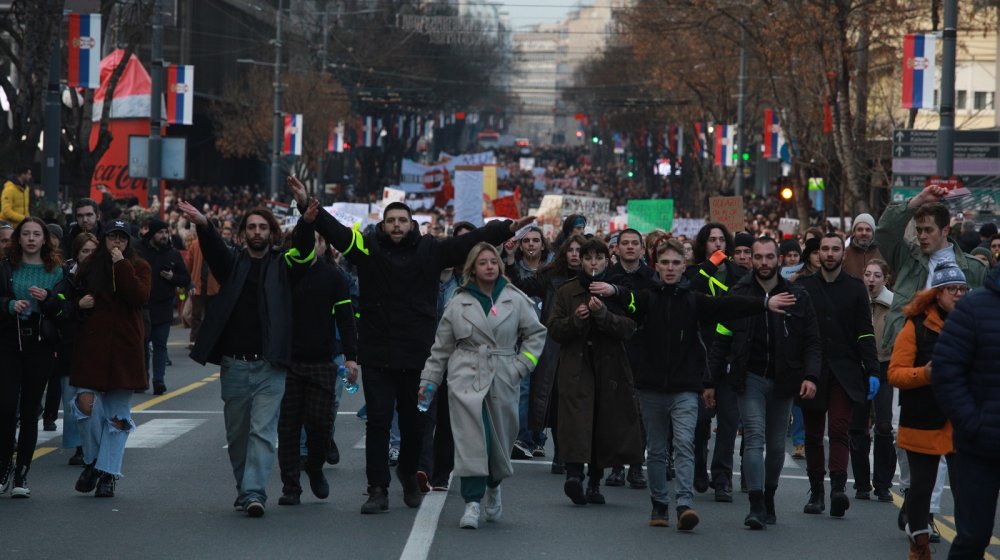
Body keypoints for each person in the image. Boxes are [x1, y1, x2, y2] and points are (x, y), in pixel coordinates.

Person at [287, 177, 531, 514]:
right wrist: (305, 203)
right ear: (383, 224)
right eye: (391, 221)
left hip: (419, 355)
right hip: (378, 353)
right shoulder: (366, 247)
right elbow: (336, 232)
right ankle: (377, 488)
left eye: (402, 220)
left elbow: (467, 242)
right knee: (378, 423)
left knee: (416, 425)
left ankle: (408, 472)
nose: (397, 226)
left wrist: (505, 229)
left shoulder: (430, 249)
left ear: (412, 224)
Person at [619, 238, 796, 530]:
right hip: (650, 387)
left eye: (676, 263)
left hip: (686, 387)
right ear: (657, 266)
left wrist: (765, 303)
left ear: (684, 267)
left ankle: (684, 504)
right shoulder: (646, 298)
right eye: (665, 263)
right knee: (657, 450)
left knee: (684, 445)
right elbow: (623, 299)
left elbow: (729, 305)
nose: (671, 268)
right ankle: (659, 504)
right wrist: (609, 291)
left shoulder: (694, 299)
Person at [177, 198, 314, 517]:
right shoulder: (233, 265)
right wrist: (204, 223)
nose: (257, 232)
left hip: (270, 366)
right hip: (235, 364)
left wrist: (307, 222)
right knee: (237, 436)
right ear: (243, 233)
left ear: (272, 233)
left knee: (262, 433)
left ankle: (254, 493)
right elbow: (214, 250)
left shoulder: (284, 266)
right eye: (251, 227)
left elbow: (305, 250)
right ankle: (245, 489)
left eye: (263, 227)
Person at [419, 242, 547, 529]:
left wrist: (520, 366)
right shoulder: (458, 301)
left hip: (503, 375)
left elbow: (536, 334)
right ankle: (472, 503)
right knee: (471, 441)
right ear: (472, 269)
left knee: (499, 441)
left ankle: (494, 484)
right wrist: (429, 380)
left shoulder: (515, 299)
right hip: (465, 375)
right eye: (483, 262)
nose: (489, 266)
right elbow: (441, 347)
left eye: (493, 262)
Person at [706, 236, 821, 529]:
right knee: (754, 437)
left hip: (784, 379)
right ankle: (755, 504)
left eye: (769, 257)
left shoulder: (797, 295)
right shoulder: (739, 292)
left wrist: (811, 376)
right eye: (758, 257)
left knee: (776, 445)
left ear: (778, 259)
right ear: (752, 260)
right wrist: (709, 381)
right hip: (749, 377)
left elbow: (811, 340)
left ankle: (769, 497)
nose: (764, 262)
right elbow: (721, 339)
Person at [546, 238, 644, 508]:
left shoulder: (618, 289)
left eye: (598, 258)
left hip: (608, 367)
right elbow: (554, 329)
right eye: (588, 258)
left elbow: (629, 327)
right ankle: (574, 475)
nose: (593, 263)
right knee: (576, 421)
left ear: (607, 260)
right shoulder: (568, 291)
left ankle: (595, 482)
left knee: (603, 422)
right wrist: (575, 320)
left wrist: (603, 315)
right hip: (576, 367)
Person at [797, 234, 880, 518]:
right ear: (817, 253)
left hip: (845, 370)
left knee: (839, 429)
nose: (830, 254)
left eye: (835, 249)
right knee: (812, 433)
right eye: (825, 249)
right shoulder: (804, 287)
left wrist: (873, 369)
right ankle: (816, 491)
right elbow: (796, 332)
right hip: (812, 371)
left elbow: (865, 332)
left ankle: (837, 489)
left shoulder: (855, 288)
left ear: (843, 254)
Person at [277, 215, 358, 506]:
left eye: (316, 241)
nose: (310, 246)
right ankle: (291, 487)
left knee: (321, 423)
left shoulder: (334, 276)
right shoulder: (284, 271)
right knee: (288, 427)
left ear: (324, 246)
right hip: (288, 362)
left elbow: (346, 318)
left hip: (323, 361)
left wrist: (351, 358)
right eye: (304, 241)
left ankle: (314, 466)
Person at [888, 265, 966, 560]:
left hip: (962, 419)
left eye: (963, 289)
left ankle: (968, 545)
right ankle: (918, 546)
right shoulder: (916, 326)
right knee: (921, 488)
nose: (958, 294)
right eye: (951, 289)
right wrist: (925, 374)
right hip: (923, 417)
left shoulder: (972, 324)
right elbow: (895, 373)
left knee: (967, 490)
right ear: (937, 294)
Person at [68, 219, 151, 498]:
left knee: (117, 416)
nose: (117, 242)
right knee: (85, 404)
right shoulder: (90, 265)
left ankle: (108, 473)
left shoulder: (139, 266)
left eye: (122, 238)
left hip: (125, 348)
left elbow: (138, 296)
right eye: (112, 237)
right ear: (104, 239)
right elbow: (70, 294)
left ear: (129, 242)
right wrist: (78, 305)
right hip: (93, 345)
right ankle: (93, 461)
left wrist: (122, 265)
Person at [933, 262, 1000, 560]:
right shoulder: (974, 308)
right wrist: (972, 421)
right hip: (980, 446)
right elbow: (947, 371)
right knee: (973, 536)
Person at [0, 217, 65, 497]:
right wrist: (10, 304)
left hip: (40, 344)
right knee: (5, 408)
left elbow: (64, 308)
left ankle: (22, 475)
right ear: (18, 238)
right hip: (8, 342)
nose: (30, 239)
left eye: (36, 234)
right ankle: (4, 467)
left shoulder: (57, 271)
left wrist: (48, 299)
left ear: (44, 239)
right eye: (25, 234)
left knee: (29, 412)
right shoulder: (6, 267)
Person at [519, 234, 586, 475]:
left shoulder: (596, 279)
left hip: (586, 348)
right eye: (571, 250)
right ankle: (560, 452)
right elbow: (521, 285)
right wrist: (509, 258)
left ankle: (576, 453)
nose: (575, 254)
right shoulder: (550, 277)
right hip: (557, 347)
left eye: (580, 250)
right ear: (564, 253)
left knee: (581, 404)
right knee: (559, 403)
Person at [689, 222, 746, 502]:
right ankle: (700, 465)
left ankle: (722, 478)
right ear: (704, 244)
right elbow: (691, 294)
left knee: (728, 421)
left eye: (721, 239)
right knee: (701, 420)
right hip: (701, 355)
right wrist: (709, 267)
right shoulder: (694, 273)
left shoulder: (740, 275)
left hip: (730, 356)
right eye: (712, 239)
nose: (717, 244)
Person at [604, 228, 653, 490]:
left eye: (635, 243)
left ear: (642, 249)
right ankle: (616, 466)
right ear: (617, 248)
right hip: (615, 348)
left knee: (640, 411)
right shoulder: (608, 277)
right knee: (616, 410)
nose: (630, 247)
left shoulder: (652, 277)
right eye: (626, 243)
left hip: (644, 350)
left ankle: (636, 465)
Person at [505, 225, 552, 460]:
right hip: (521, 337)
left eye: (536, 240)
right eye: (527, 241)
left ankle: (537, 438)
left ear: (543, 245)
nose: (531, 244)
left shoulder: (551, 270)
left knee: (542, 389)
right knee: (523, 388)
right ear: (521, 246)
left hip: (548, 337)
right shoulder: (514, 269)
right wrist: (509, 258)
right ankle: (521, 438)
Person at [852, 259, 897, 503]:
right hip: (859, 367)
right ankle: (861, 483)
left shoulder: (894, 303)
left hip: (885, 364)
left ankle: (883, 483)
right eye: (868, 274)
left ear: (885, 279)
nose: (871, 279)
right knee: (858, 425)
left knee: (884, 424)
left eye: (877, 275)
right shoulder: (856, 299)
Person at [55, 232, 99, 466]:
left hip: (99, 345)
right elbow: (57, 307)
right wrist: (77, 305)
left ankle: (96, 443)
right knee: (72, 397)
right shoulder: (67, 278)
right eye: (85, 251)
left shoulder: (107, 277)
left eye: (93, 251)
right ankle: (79, 446)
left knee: (95, 400)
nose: (89, 255)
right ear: (77, 254)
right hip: (71, 345)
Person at [139, 219, 190, 395]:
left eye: (165, 232)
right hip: (143, 307)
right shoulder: (140, 251)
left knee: (160, 345)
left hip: (164, 307)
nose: (164, 236)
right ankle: (142, 379)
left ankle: (158, 380)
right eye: (160, 232)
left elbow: (185, 279)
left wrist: (172, 277)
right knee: (143, 345)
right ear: (152, 234)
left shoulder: (173, 254)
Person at [183, 228, 221, 350]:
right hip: (198, 285)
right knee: (196, 315)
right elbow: (188, 263)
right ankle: (194, 340)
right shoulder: (195, 245)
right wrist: (185, 280)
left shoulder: (217, 244)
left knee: (210, 316)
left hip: (213, 286)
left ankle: (209, 340)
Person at [842, 213, 885, 279]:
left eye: (868, 230)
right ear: (854, 232)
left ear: (873, 233)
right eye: (860, 230)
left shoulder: (883, 253)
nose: (864, 233)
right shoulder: (844, 254)